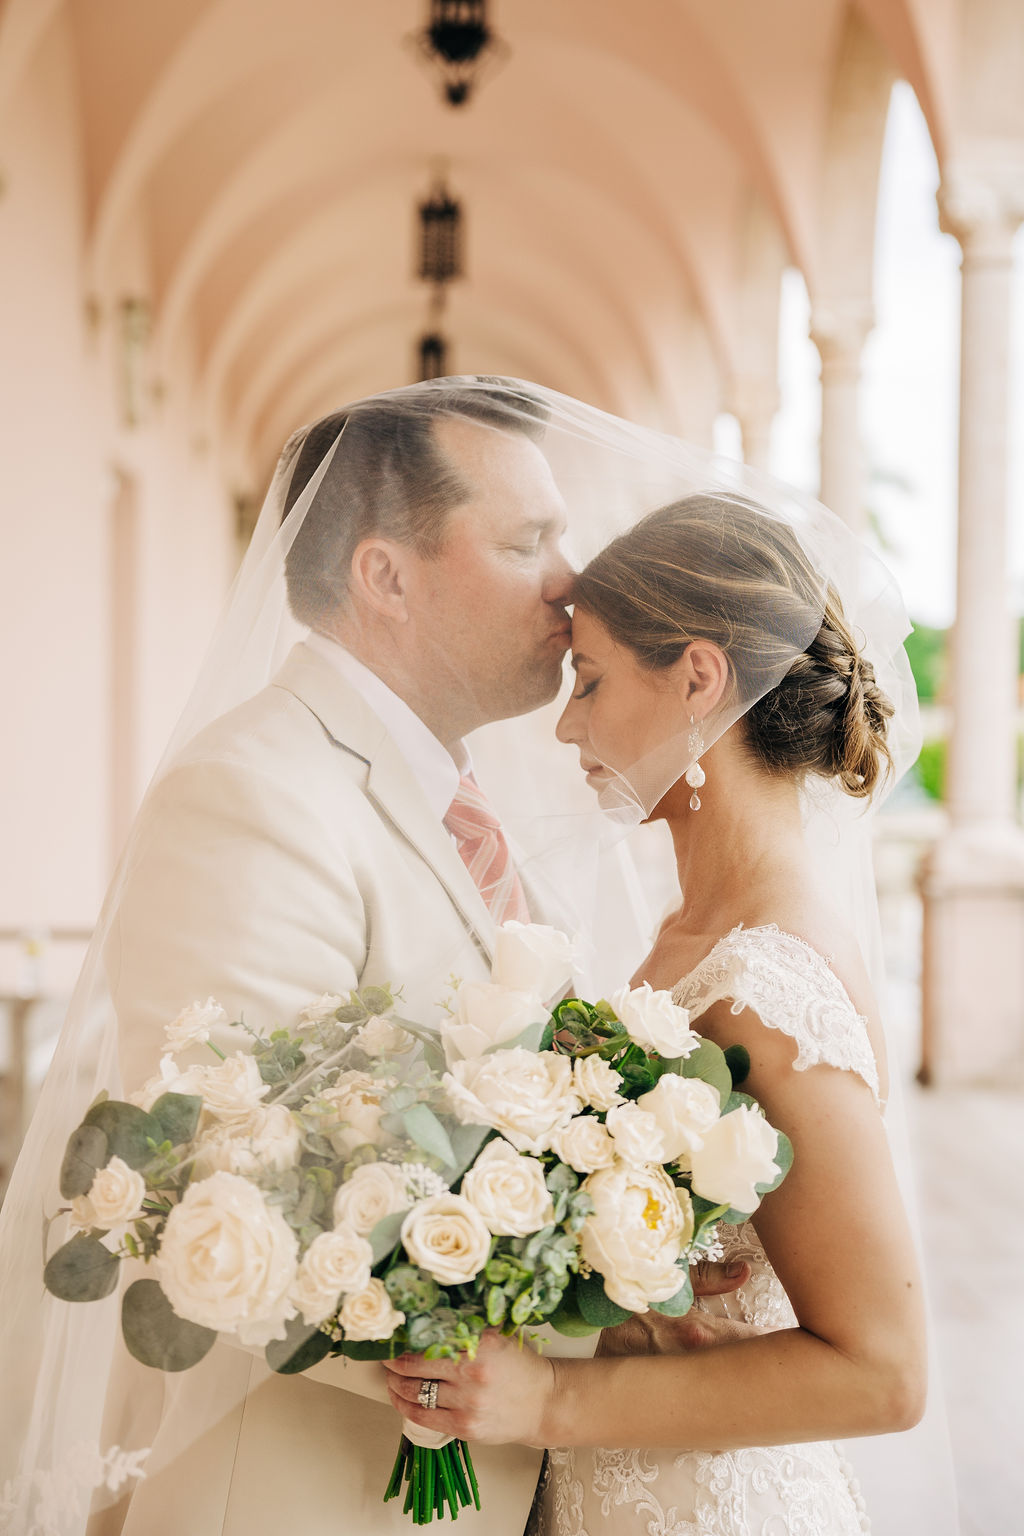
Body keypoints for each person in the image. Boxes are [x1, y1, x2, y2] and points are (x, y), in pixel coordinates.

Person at [383, 493, 930, 1535]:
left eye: (588, 681)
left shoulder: (769, 986)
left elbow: (884, 1371)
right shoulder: (688, 931)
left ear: (697, 678)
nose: (565, 724)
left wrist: (549, 1400)